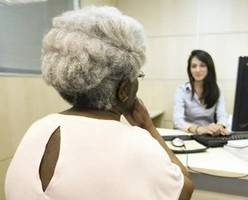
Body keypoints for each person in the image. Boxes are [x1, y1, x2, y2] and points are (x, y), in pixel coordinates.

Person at [5, 6, 193, 200]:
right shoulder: (140, 144)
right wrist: (148, 126)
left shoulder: (37, 130)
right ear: (124, 90)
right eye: (138, 76)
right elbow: (185, 189)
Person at [173, 50, 228, 135]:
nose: (197, 70)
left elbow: (222, 115)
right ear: (189, 69)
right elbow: (177, 120)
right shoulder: (182, 90)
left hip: (209, 134)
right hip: (188, 133)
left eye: (202, 65)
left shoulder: (217, 89)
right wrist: (199, 129)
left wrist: (219, 126)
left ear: (209, 68)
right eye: (194, 66)